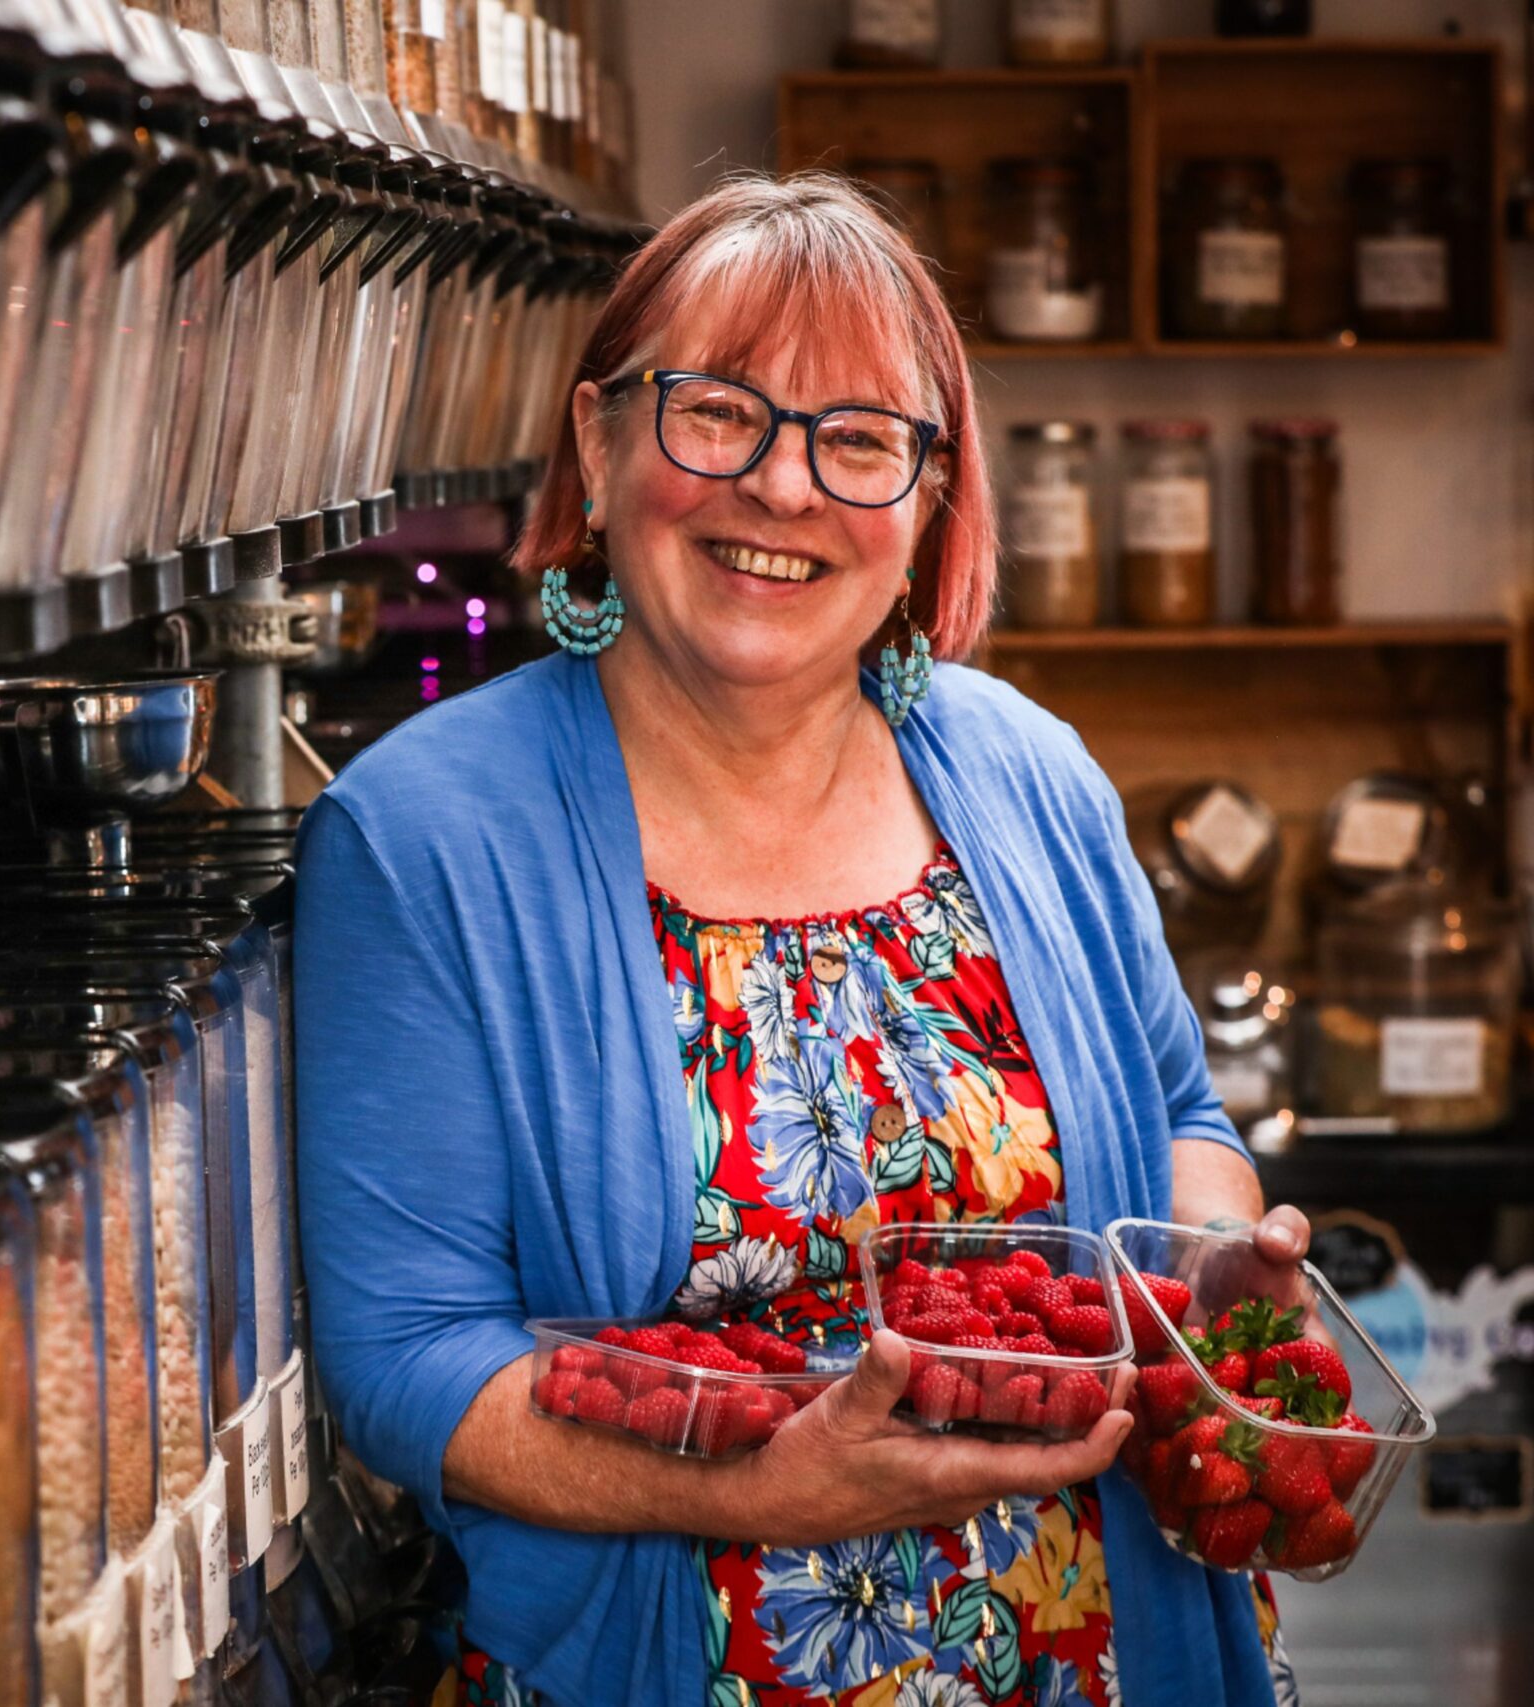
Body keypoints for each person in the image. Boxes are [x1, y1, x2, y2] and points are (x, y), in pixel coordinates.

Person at [292, 175, 1307, 1707]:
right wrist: (751, 1492)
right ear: (597, 439)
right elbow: (409, 1361)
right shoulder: (426, 835)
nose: (782, 489)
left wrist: (1198, 1274)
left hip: (1111, 1650)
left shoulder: (1027, 771)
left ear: (928, 497)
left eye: (857, 439)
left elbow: (1179, 1117)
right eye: (719, 413)